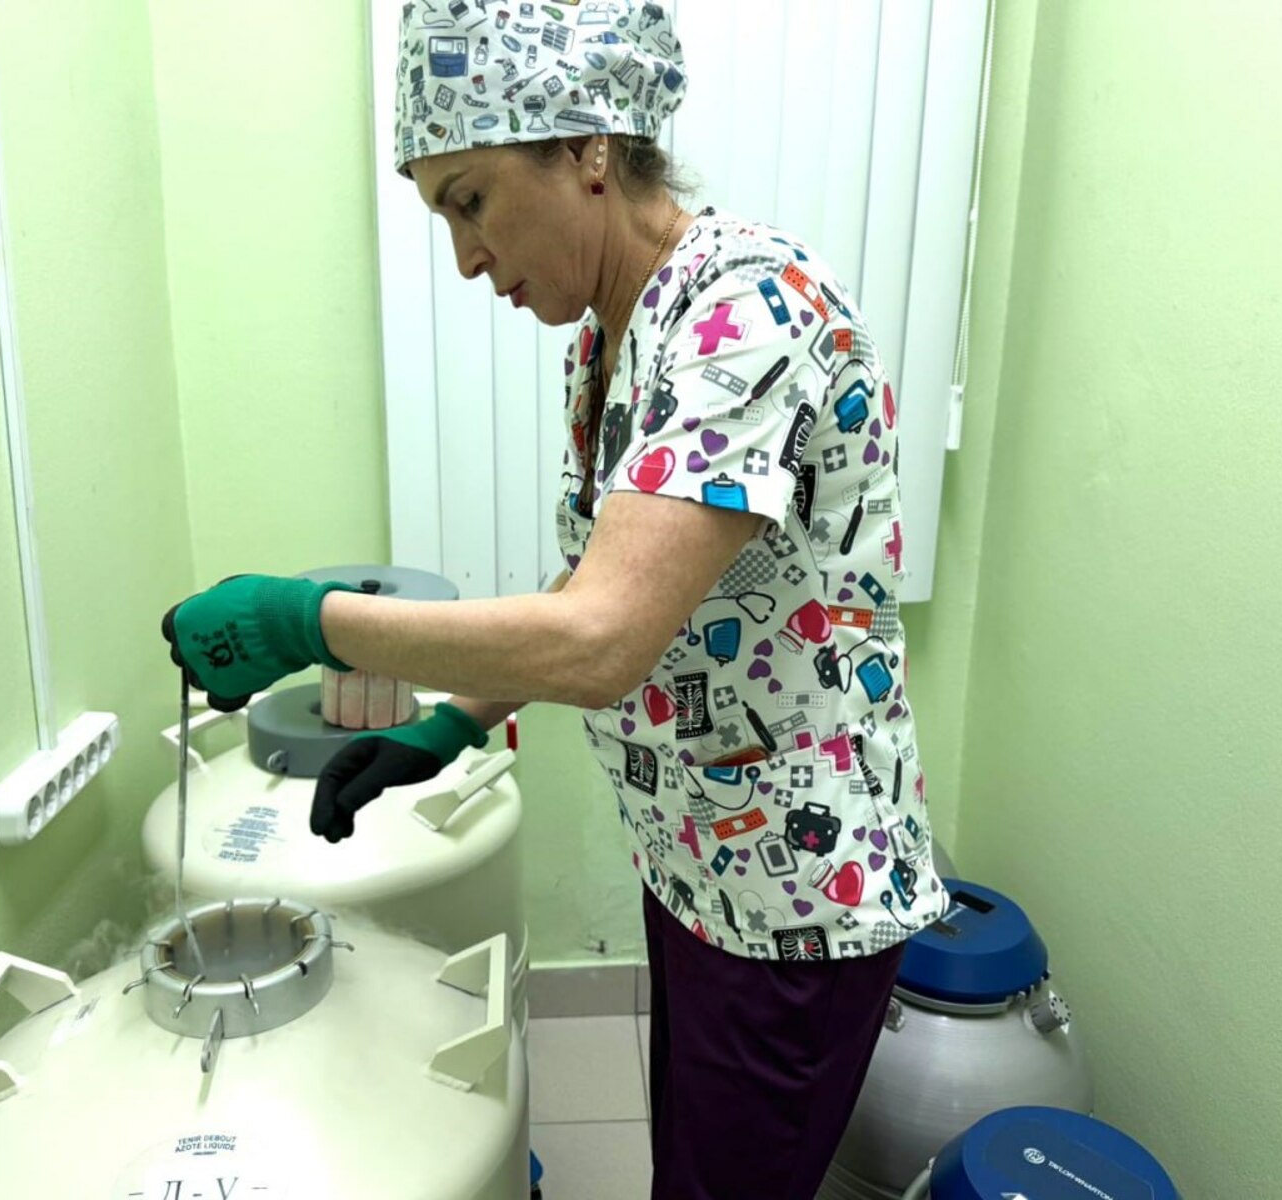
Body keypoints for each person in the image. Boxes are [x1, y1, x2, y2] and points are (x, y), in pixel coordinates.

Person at [161, 3, 948, 1196]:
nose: (466, 259)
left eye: (471, 201)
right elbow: (602, 581)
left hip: (796, 893)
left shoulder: (747, 311)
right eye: (443, 217)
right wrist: (449, 724)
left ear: (587, 147)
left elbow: (602, 640)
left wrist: (301, 622)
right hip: (699, 859)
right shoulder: (611, 337)